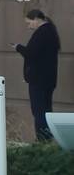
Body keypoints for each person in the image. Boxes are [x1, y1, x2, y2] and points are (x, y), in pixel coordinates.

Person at [14, 8, 60, 141]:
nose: (29, 27)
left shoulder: (42, 33)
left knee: (39, 111)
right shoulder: (52, 31)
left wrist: (18, 47)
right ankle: (47, 137)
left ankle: (43, 139)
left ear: (36, 19)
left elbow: (31, 53)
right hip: (49, 79)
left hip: (39, 80)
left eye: (29, 23)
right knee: (46, 109)